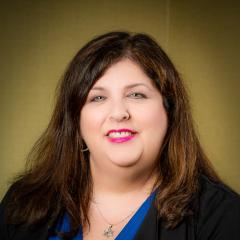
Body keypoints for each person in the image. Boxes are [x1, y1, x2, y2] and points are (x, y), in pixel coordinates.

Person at [0, 31, 240, 240]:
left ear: (170, 111)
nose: (118, 113)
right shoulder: (22, 203)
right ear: (75, 120)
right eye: (98, 97)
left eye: (136, 95)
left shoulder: (221, 216)